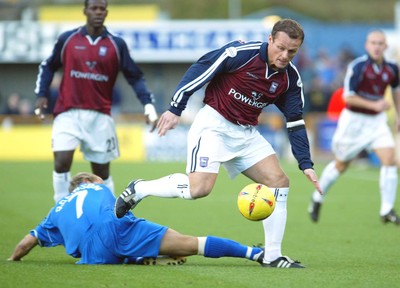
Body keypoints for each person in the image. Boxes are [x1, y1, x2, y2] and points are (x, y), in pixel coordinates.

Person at [115, 19, 322, 268]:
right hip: (213, 124)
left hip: (246, 133)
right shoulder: (240, 54)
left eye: (292, 51)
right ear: (270, 39)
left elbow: (295, 121)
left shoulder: (290, 78)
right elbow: (200, 69)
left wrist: (305, 163)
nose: (285, 55)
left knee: (279, 181)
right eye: (281, 47)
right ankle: (140, 188)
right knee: (198, 189)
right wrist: (175, 109)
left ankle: (272, 255)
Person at [33, 0, 158, 202]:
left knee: (101, 173)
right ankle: (59, 210)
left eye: (102, 9)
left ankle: (109, 213)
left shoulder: (116, 45)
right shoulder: (68, 39)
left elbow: (134, 76)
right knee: (61, 162)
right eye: (94, 8)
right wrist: (41, 94)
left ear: (106, 12)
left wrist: (148, 105)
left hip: (100, 116)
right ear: (85, 11)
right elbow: (48, 66)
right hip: (68, 112)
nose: (98, 12)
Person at [8, 172, 265, 266]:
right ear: (86, 182)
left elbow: (26, 243)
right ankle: (254, 254)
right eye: (97, 179)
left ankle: (137, 258)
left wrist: (12, 259)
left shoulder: (55, 210)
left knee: (117, 250)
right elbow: (115, 216)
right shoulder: (99, 188)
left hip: (92, 255)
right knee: (191, 244)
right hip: (117, 229)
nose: (103, 182)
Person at [308, 30, 400, 225]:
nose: (377, 46)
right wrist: (374, 104)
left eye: (380, 43)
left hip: (377, 121)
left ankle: (386, 209)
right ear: (367, 45)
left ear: (385, 47)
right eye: (373, 42)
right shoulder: (358, 67)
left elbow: (395, 91)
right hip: (354, 121)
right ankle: (317, 198)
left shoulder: (392, 68)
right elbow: (347, 96)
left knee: (389, 160)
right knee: (341, 165)